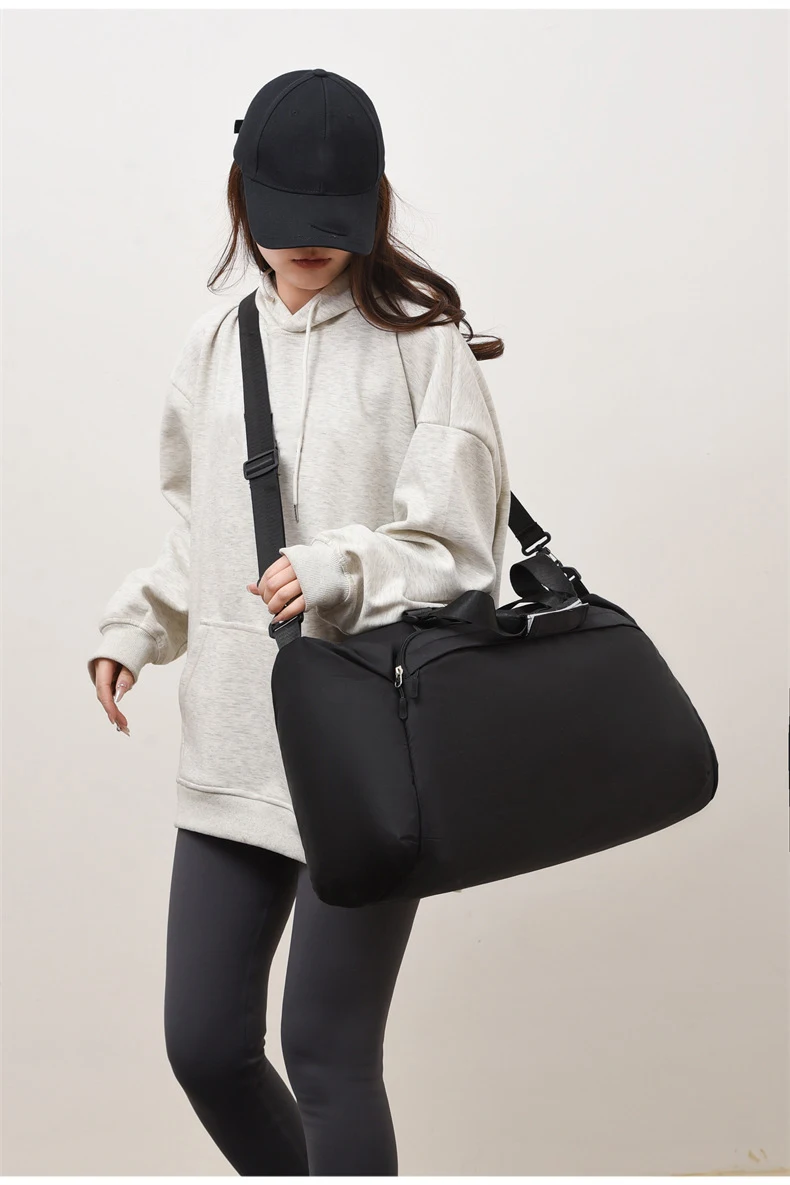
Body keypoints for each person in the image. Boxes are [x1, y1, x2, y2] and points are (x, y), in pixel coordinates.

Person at [87, 68, 511, 1176]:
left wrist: (337, 570)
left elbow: (461, 550)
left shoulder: (425, 346)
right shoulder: (214, 344)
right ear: (244, 198)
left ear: (372, 203)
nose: (310, 241)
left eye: (334, 217)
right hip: (236, 733)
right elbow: (202, 528)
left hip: (370, 751)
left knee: (327, 1055)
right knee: (205, 1046)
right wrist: (138, 625)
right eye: (286, 216)